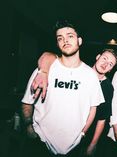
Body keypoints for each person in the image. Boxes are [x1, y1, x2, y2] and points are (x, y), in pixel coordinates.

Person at [21, 20, 104, 157]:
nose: (65, 40)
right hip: (40, 143)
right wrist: (29, 127)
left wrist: (83, 133)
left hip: (73, 147)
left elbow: (93, 108)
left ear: (80, 40)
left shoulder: (90, 75)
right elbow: (27, 102)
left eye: (70, 36)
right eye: (60, 38)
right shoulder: (43, 70)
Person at [29, 48, 117, 157]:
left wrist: (92, 144)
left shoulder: (108, 88)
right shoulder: (80, 72)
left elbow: (102, 119)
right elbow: (52, 57)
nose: (105, 64)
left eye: (110, 64)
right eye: (104, 58)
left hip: (84, 138)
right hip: (57, 132)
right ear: (97, 56)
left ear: (111, 69)